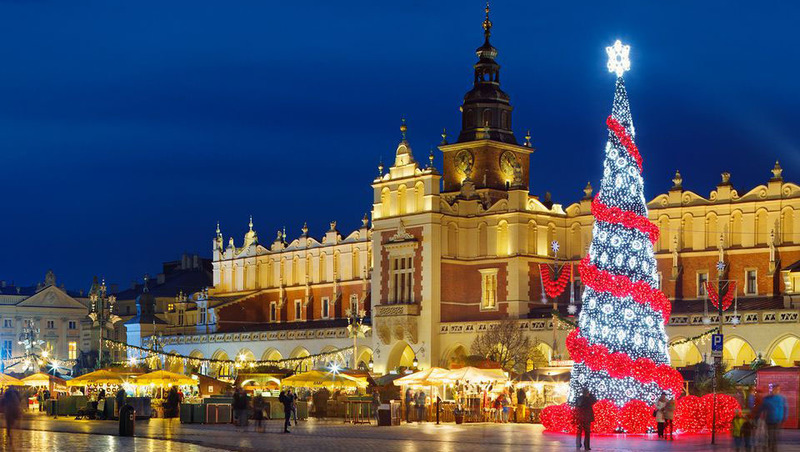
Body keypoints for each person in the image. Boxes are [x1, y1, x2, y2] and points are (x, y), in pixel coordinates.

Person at [756, 384, 787, 452]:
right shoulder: (767, 399)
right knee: (770, 436)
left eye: (778, 389)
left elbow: (785, 408)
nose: (777, 391)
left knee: (774, 437)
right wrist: (757, 417)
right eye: (775, 389)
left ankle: (773, 448)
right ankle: (771, 448)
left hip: (778, 420)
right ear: (772, 390)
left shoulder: (782, 399)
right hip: (770, 420)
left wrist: (784, 417)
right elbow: (761, 408)